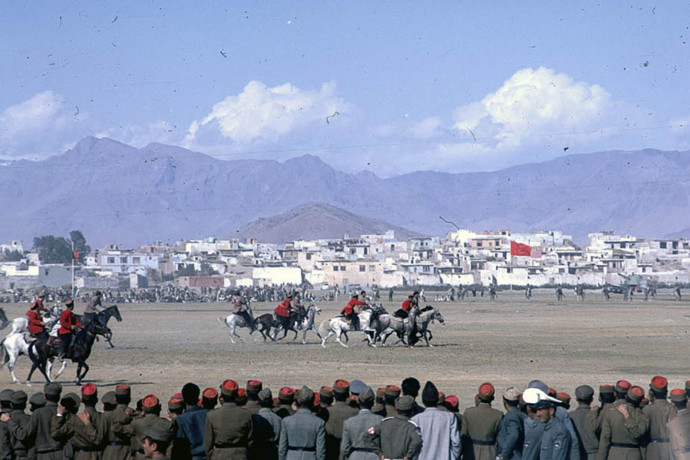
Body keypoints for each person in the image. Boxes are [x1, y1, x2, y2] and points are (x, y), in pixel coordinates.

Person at [412, 381, 461, 460]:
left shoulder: (416, 419)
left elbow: (414, 445)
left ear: (423, 401)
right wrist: (453, 457)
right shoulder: (450, 417)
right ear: (437, 400)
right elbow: (456, 443)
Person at [597, 385, 649, 460]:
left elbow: (605, 440)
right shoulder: (642, 415)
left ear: (626, 396)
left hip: (614, 454)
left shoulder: (611, 413)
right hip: (634, 454)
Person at [204, 379, 253, 458]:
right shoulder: (246, 414)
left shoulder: (212, 415)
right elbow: (251, 441)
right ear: (236, 395)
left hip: (219, 455)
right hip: (241, 455)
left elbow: (208, 444)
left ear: (222, 395)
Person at [278, 386, 326, 460]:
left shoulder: (287, 421)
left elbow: (282, 448)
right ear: (312, 402)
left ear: (298, 401)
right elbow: (320, 450)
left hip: (291, 456)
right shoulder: (319, 423)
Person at [461, 382, 503, 460]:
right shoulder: (498, 415)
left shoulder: (468, 412)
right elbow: (500, 439)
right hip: (490, 453)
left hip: (470, 452)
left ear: (478, 397)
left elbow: (463, 435)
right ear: (493, 398)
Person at [373, 395, 423, 460]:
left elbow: (368, 436)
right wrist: (408, 455)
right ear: (412, 411)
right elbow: (417, 441)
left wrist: (379, 453)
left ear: (396, 409)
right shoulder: (411, 426)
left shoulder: (385, 423)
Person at [643, 376, 677, 460]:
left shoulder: (647, 409)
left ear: (652, 393)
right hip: (670, 449)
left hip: (652, 449)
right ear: (666, 392)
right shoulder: (672, 408)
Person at [325, 379, 357, 460]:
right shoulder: (355, 412)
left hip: (330, 452)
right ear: (348, 394)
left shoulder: (326, 412)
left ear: (334, 395)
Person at [251, 387, 282, 459]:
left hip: (260, 453)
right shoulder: (278, 419)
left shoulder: (256, 418)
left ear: (258, 402)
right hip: (274, 454)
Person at [569, 385, 598, 460]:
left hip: (577, 454)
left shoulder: (570, 416)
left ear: (576, 399)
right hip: (596, 454)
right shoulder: (598, 415)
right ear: (591, 399)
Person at [497, 387, 525, 460]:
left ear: (504, 402)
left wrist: (504, 455)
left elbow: (513, 435)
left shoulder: (512, 417)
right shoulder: (522, 415)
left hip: (512, 456)